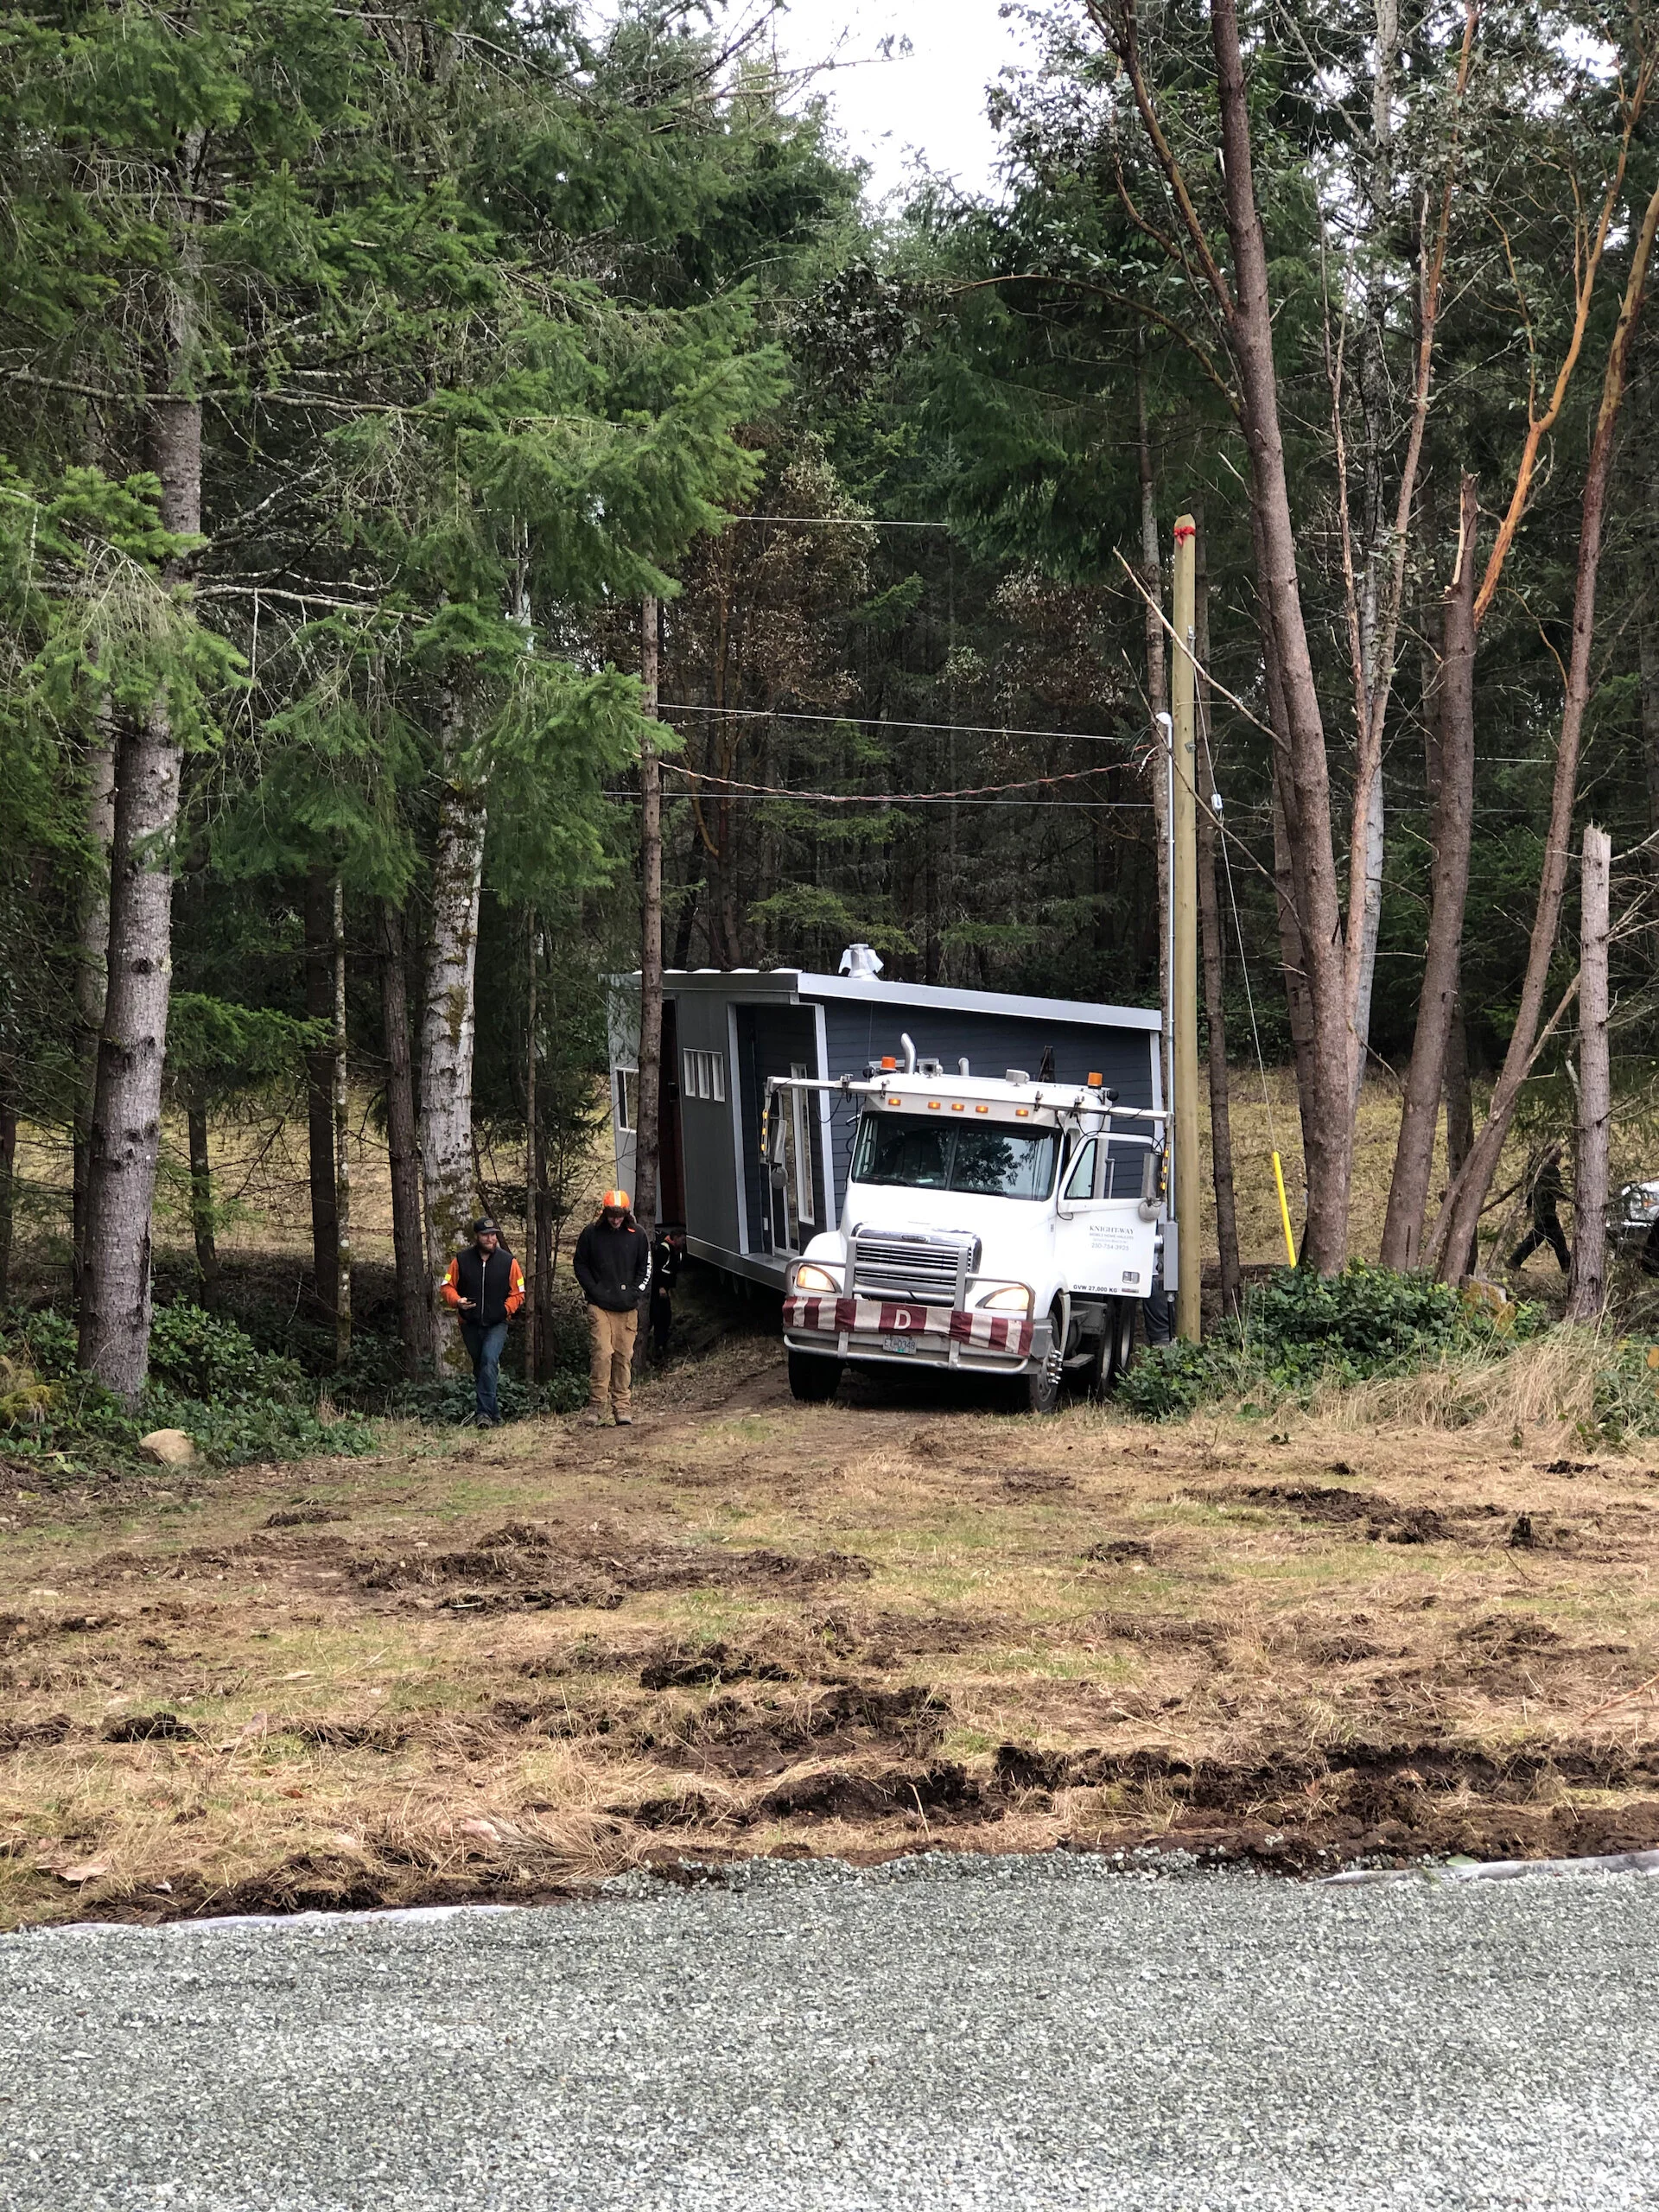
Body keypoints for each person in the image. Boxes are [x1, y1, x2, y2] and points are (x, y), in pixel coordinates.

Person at [573, 1189, 652, 1426]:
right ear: (604, 1213)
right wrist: (594, 1290)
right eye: (611, 1214)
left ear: (626, 1214)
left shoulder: (638, 1235)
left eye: (619, 1215)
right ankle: (596, 1406)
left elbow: (645, 1268)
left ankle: (622, 1407)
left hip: (627, 1308)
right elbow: (580, 1264)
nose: (615, 1219)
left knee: (623, 1357)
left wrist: (636, 1292)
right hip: (600, 1305)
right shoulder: (591, 1234)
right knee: (602, 1352)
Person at [441, 1218, 524, 1427]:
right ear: (477, 1237)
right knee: (481, 1367)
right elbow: (447, 1286)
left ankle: (484, 1414)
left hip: (498, 1323)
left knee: (488, 1360)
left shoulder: (509, 1262)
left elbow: (519, 1292)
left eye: (494, 1234)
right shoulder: (460, 1260)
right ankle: (494, 1415)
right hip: (469, 1323)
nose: (491, 1238)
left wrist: (506, 1309)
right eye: (486, 1235)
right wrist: (457, 1301)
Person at [1509, 1144, 1571, 1274]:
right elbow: (1557, 1190)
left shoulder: (1539, 1169)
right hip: (1547, 1212)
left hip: (1540, 1212)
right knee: (1558, 1240)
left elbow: (1531, 1190)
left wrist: (1530, 1206)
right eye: (1558, 1153)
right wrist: (1573, 1199)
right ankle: (1567, 1267)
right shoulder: (1551, 1170)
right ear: (1551, 1154)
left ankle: (1515, 1261)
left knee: (1538, 1238)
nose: (1560, 1157)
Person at [649, 1224, 686, 1360]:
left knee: (666, 1317)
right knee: (657, 1317)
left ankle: (662, 1345)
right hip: (657, 1291)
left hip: (666, 1290)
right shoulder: (663, 1250)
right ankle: (656, 1347)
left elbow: (673, 1273)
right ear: (675, 1238)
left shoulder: (678, 1252)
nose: (684, 1243)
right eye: (682, 1240)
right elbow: (657, 1270)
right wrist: (660, 1287)